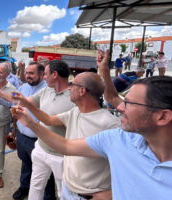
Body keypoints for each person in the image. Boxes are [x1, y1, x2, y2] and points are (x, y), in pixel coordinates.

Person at [16, 50, 172, 199]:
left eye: (129, 103)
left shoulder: (114, 127)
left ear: (163, 116)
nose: (120, 108)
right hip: (69, 188)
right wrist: (103, 68)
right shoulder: (118, 138)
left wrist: (110, 193)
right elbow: (67, 145)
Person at [15, 71, 121, 199]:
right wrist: (27, 107)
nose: (69, 88)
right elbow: (48, 120)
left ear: (82, 91)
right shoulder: (75, 112)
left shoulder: (110, 124)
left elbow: (127, 166)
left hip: (87, 195)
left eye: (73, 84)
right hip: (68, 187)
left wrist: (110, 194)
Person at [0, 61, 69, 200]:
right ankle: (24, 187)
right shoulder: (23, 88)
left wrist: (1, 94)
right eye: (26, 73)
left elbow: (49, 120)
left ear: (41, 74)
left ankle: (48, 196)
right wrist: (14, 128)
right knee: (26, 164)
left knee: (46, 174)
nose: (28, 76)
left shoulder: (47, 89)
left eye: (31, 73)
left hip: (39, 140)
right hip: (23, 136)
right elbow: (15, 103)